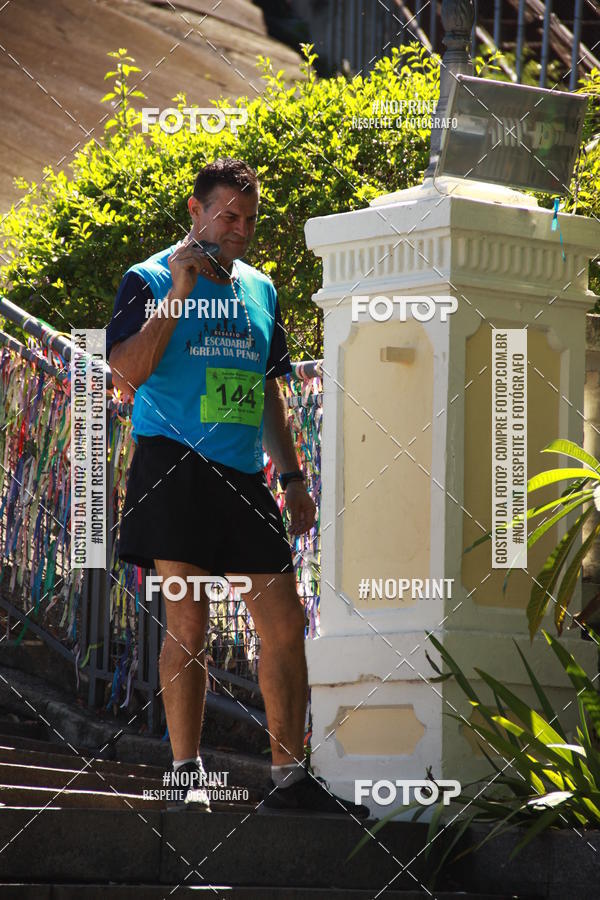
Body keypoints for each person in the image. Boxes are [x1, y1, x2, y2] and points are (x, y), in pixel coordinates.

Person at [106, 158, 369, 819]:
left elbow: (268, 390)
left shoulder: (261, 288)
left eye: (250, 220)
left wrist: (294, 476)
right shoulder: (147, 278)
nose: (241, 230)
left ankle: (289, 777)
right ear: (195, 211)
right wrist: (179, 293)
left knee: (284, 622)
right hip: (173, 466)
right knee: (189, 618)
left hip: (243, 474)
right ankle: (185, 772)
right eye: (228, 216)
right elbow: (125, 375)